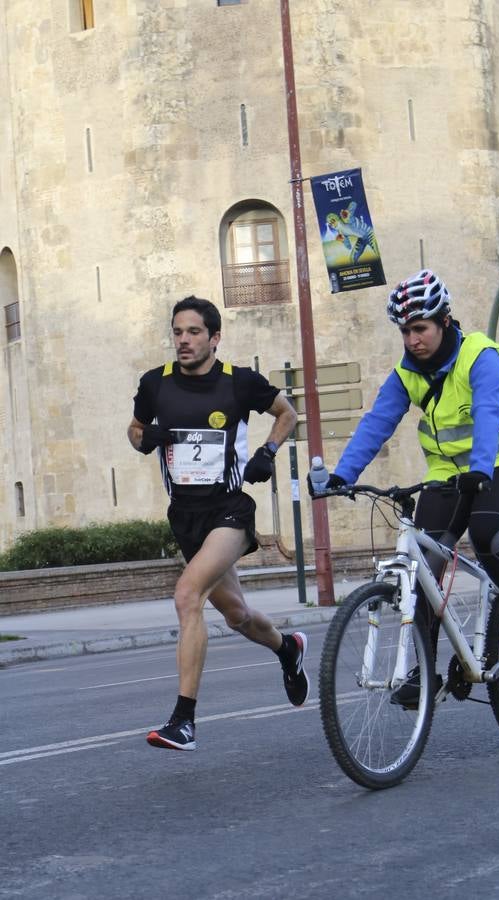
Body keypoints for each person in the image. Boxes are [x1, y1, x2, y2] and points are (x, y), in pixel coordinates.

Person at [311, 269, 499, 704]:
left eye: (420, 328)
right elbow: (377, 423)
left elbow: (486, 412)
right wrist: (341, 476)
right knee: (423, 562)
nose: (412, 340)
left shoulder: (480, 356)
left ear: (445, 321)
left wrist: (481, 467)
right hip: (451, 471)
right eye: (405, 330)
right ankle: (421, 673)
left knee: (486, 533)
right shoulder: (407, 373)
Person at [128, 295, 308, 751]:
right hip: (184, 516)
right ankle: (288, 648)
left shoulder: (239, 383)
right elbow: (134, 430)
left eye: (193, 332)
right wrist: (144, 437)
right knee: (237, 616)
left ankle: (184, 721)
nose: (183, 341)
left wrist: (268, 452)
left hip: (229, 510)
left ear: (214, 338)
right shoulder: (155, 384)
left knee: (188, 595)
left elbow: (288, 413)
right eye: (177, 332)